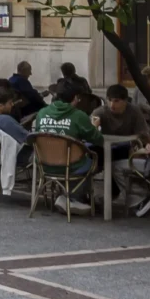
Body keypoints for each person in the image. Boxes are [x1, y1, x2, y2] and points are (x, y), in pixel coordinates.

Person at [31, 83, 102, 214]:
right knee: (94, 162)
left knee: (78, 160)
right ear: (75, 98)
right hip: (71, 165)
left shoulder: (42, 113)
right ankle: (73, 198)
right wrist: (95, 126)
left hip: (44, 164)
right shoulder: (79, 115)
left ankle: (68, 197)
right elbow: (97, 139)